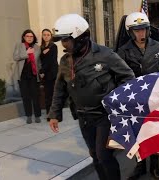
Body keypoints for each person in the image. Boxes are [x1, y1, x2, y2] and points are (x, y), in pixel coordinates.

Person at [47, 14, 135, 180]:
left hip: (104, 115)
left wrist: (118, 102)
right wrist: (54, 114)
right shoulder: (65, 61)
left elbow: (128, 76)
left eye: (66, 39)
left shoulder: (105, 54)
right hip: (83, 115)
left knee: (104, 156)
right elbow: (60, 88)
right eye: (62, 40)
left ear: (80, 37)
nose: (63, 44)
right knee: (94, 155)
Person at [117, 12, 159, 179]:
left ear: (148, 30)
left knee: (153, 131)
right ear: (130, 32)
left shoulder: (157, 46)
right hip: (135, 99)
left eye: (143, 30)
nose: (141, 33)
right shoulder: (123, 50)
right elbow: (118, 73)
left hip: (154, 97)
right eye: (137, 30)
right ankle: (140, 165)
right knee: (138, 133)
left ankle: (155, 165)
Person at [13, 29, 42, 124]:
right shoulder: (19, 45)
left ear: (33, 38)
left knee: (35, 96)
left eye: (31, 36)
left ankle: (37, 116)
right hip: (23, 76)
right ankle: (29, 116)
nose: (29, 38)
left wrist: (41, 71)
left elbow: (39, 62)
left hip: (34, 75)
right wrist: (27, 53)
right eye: (27, 36)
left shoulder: (37, 47)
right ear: (24, 37)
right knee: (26, 97)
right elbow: (15, 57)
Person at [39, 28, 58, 115]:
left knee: (53, 94)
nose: (46, 36)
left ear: (51, 36)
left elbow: (51, 61)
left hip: (52, 73)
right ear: (42, 36)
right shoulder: (41, 47)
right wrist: (43, 53)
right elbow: (40, 61)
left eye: (48, 35)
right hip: (45, 74)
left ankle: (54, 113)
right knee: (47, 94)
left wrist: (42, 71)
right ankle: (49, 113)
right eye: (44, 35)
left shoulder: (53, 46)